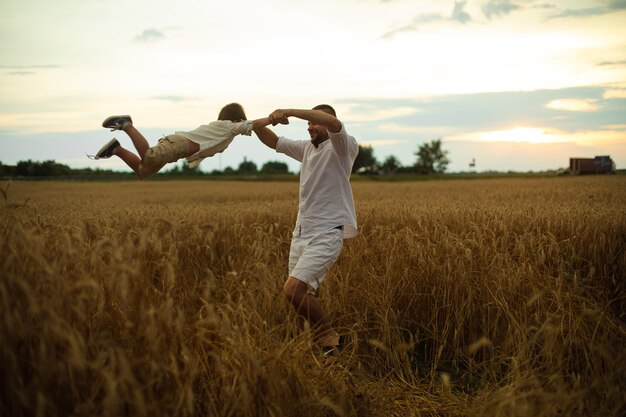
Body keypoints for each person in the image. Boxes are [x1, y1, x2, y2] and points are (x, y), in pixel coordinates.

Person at [254, 104, 359, 355]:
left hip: (327, 231)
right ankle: (321, 351)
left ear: (327, 120)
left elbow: (333, 124)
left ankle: (330, 336)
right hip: (301, 232)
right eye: (308, 124)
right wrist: (261, 122)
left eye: (314, 122)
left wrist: (290, 111)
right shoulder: (306, 149)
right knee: (300, 298)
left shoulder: (342, 147)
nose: (310, 127)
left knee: (293, 290)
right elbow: (273, 141)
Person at [89, 103, 271, 179]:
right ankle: (126, 124)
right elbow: (253, 124)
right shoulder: (229, 126)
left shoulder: (225, 130)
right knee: (149, 155)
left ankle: (116, 149)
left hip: (179, 148)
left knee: (143, 172)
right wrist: (274, 118)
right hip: (180, 144)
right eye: (241, 123)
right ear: (237, 120)